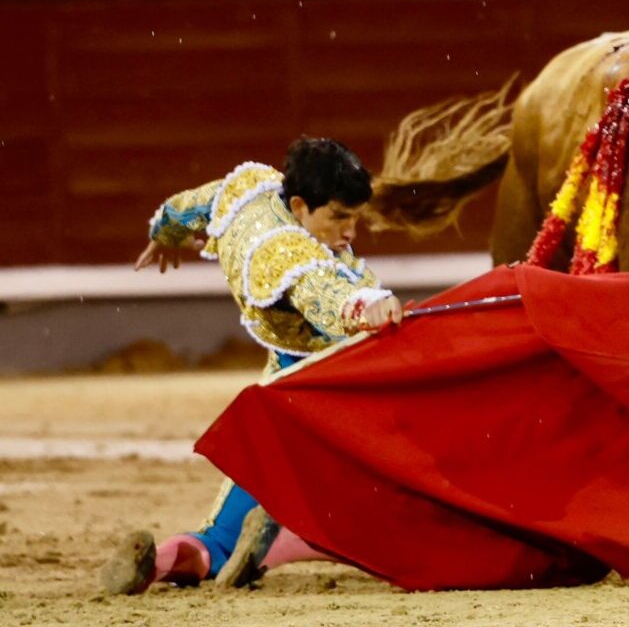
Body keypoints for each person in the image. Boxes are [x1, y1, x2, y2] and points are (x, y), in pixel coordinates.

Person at [98, 137, 403, 595]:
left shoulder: (253, 190)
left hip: (283, 391)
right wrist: (368, 305)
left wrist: (163, 234)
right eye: (339, 217)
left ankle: (165, 561)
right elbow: (327, 299)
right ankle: (287, 540)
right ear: (299, 206)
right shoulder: (287, 256)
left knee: (219, 536)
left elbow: (189, 207)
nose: (351, 232)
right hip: (332, 392)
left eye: (355, 216)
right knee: (386, 515)